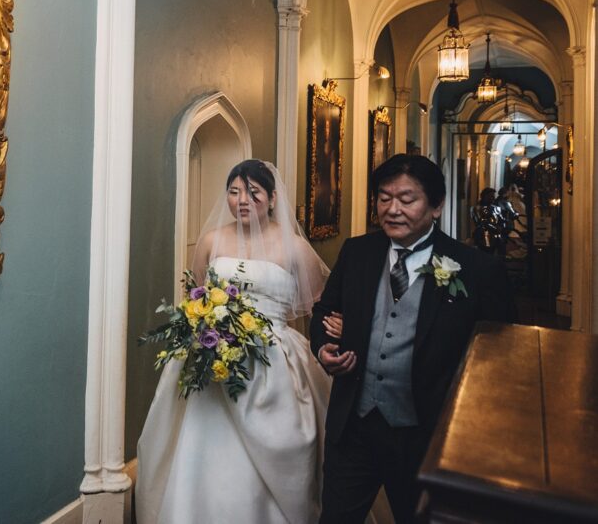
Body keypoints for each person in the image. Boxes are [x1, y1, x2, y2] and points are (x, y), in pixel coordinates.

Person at [310, 154, 515, 524]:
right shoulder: (357, 252)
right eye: (384, 198)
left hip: (426, 434)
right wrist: (324, 349)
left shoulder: (477, 269)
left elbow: (499, 357)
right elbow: (325, 312)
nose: (392, 209)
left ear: (436, 206)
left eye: (407, 199)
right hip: (354, 426)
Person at [137, 159, 334, 523]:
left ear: (273, 198)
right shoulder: (212, 239)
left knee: (286, 441)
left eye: (253, 193)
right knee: (200, 442)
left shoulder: (295, 248)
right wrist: (204, 324)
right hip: (211, 352)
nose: (242, 200)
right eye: (234, 192)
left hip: (274, 357)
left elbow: (319, 307)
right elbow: (195, 293)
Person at [470, 187, 507, 254]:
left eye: (493, 196)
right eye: (490, 196)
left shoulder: (496, 208)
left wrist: (503, 226)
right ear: (484, 196)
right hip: (484, 235)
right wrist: (495, 228)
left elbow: (502, 220)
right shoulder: (477, 208)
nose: (493, 198)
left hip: (498, 235)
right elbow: (480, 222)